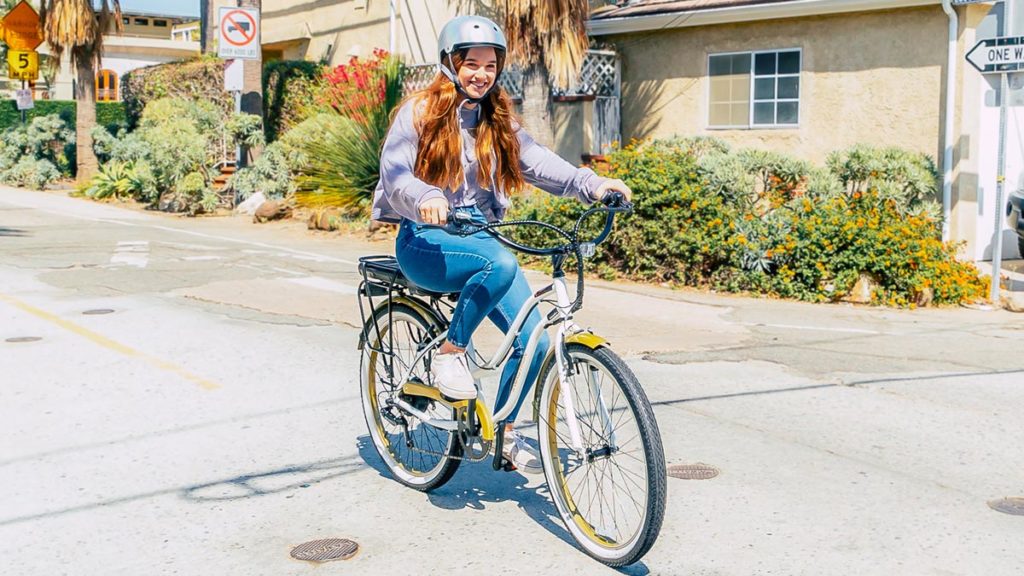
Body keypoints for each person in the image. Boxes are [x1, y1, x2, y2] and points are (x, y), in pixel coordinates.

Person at [371, 15, 632, 474]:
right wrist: (426, 196)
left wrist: (591, 184)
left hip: (478, 239)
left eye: (490, 65)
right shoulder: (419, 112)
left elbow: (542, 164)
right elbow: (395, 175)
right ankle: (449, 355)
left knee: (531, 335)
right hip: (424, 242)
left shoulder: (498, 120)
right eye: (471, 63)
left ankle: (506, 433)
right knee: (502, 262)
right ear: (450, 63)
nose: (481, 74)